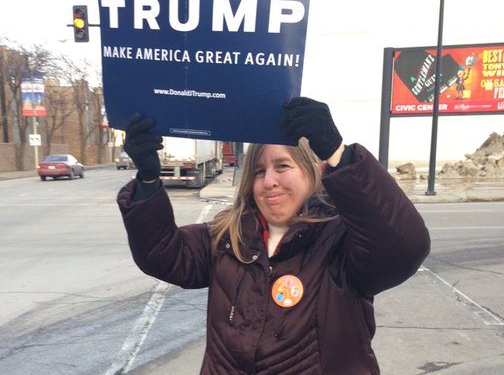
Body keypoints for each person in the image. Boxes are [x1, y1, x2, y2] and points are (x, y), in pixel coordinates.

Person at [117, 97, 431, 374]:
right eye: (259, 171)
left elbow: (404, 247)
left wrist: (339, 154)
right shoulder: (227, 237)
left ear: (311, 172)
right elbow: (161, 254)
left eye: (282, 166)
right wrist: (147, 180)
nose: (269, 181)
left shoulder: (343, 242)